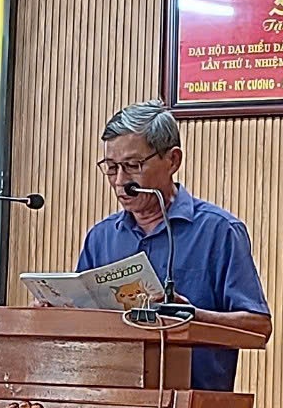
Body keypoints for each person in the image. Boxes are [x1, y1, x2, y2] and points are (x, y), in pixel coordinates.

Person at [76, 99, 272, 391]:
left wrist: (192, 316)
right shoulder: (101, 237)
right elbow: (81, 321)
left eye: (133, 166)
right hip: (111, 400)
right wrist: (54, 312)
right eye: (111, 168)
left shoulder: (219, 231)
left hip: (193, 404)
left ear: (173, 161)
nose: (120, 181)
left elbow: (259, 326)